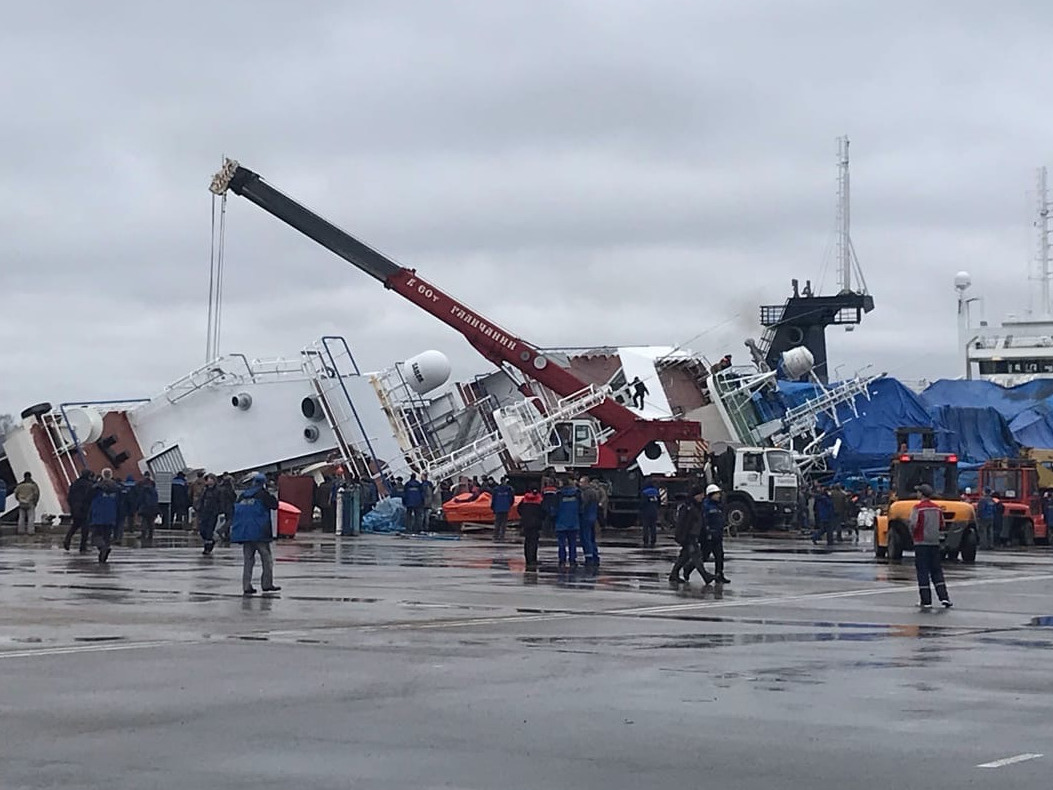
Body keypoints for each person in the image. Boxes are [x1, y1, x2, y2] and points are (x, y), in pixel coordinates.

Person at [231, 472, 280, 595]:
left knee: (248, 561)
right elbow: (275, 505)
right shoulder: (263, 495)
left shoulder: (242, 496)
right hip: (260, 532)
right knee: (267, 560)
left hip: (245, 533)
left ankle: (246, 586)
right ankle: (267, 584)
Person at [910, 484, 952, 609]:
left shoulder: (918, 508)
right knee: (937, 571)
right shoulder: (937, 508)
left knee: (922, 572)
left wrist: (914, 535)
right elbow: (942, 524)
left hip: (921, 543)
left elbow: (913, 524)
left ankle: (926, 600)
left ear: (921, 494)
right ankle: (944, 598)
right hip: (934, 543)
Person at [669, 487, 715, 585]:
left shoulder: (698, 506)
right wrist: (681, 536)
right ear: (696, 495)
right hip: (689, 536)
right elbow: (682, 523)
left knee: (684, 556)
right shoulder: (688, 507)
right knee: (696, 556)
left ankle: (674, 574)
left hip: (694, 535)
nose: (703, 497)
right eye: (701, 495)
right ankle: (705, 576)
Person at [89, 469, 121, 563]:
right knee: (107, 536)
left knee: (95, 536)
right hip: (111, 515)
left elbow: (88, 499)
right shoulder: (117, 488)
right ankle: (103, 555)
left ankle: (103, 548)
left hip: (98, 515)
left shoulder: (96, 488)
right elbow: (120, 503)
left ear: (102, 475)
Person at [701, 484, 731, 584]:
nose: (719, 496)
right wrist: (707, 532)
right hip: (709, 536)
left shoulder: (718, 506)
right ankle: (688, 568)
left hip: (718, 535)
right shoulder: (705, 506)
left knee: (719, 556)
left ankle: (719, 575)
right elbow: (704, 521)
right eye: (717, 494)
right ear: (711, 494)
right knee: (704, 556)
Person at [63, 469, 96, 552]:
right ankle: (83, 546)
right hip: (85, 509)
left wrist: (72, 506)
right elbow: (90, 497)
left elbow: (69, 497)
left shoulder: (75, 484)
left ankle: (67, 540)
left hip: (75, 508)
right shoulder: (89, 485)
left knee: (75, 526)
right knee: (85, 528)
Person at [554, 478, 582, 567]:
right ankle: (572, 559)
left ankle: (562, 560)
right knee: (572, 543)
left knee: (561, 543)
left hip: (561, 522)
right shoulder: (577, 493)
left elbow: (554, 509)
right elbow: (581, 508)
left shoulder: (559, 494)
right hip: (574, 522)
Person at [195, 473, 222, 555]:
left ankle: (207, 548)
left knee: (209, 531)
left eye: (210, 479)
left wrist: (218, 510)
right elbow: (201, 500)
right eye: (208, 479)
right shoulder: (205, 490)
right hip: (204, 512)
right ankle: (210, 542)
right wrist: (198, 508)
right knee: (202, 530)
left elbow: (220, 501)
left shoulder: (217, 490)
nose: (209, 481)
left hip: (213, 513)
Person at [519, 487, 544, 571]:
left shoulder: (525, 499)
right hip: (535, 524)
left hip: (526, 523)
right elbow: (543, 511)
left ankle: (527, 559)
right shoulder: (540, 500)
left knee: (527, 541)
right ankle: (533, 559)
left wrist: (524, 517)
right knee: (534, 542)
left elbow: (519, 509)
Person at [578, 476, 601, 564]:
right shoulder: (595, 492)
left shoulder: (586, 492)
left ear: (586, 483)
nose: (580, 484)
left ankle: (589, 557)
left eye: (581, 482)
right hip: (593, 517)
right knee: (592, 538)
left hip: (585, 517)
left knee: (585, 538)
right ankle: (595, 555)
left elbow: (583, 504)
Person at [136, 472, 160, 542]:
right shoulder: (154, 490)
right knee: (151, 522)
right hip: (153, 507)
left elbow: (140, 498)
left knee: (144, 521)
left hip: (144, 507)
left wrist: (137, 506)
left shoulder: (142, 488)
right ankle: (150, 535)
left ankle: (143, 535)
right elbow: (156, 499)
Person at [490, 476, 515, 541]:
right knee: (503, 524)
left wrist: (493, 507)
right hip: (505, 508)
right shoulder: (509, 489)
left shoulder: (496, 489)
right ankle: (502, 537)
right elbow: (512, 499)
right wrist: (509, 505)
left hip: (498, 508)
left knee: (497, 523)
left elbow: (493, 499)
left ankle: (495, 537)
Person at [116, 474, 138, 545]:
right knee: (131, 517)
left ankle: (119, 533)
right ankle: (131, 528)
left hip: (124, 505)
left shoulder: (123, 487)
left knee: (122, 519)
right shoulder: (135, 487)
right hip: (132, 504)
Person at [639, 478, 661, 548]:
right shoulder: (656, 492)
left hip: (646, 512)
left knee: (646, 527)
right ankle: (653, 540)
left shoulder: (644, 492)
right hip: (654, 511)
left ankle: (646, 541)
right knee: (653, 527)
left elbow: (643, 503)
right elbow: (659, 502)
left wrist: (640, 509)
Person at [217, 473, 237, 542]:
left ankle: (227, 535)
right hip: (229, 506)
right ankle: (221, 530)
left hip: (223, 506)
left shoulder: (220, 488)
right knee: (230, 520)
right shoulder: (229, 489)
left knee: (227, 519)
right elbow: (233, 497)